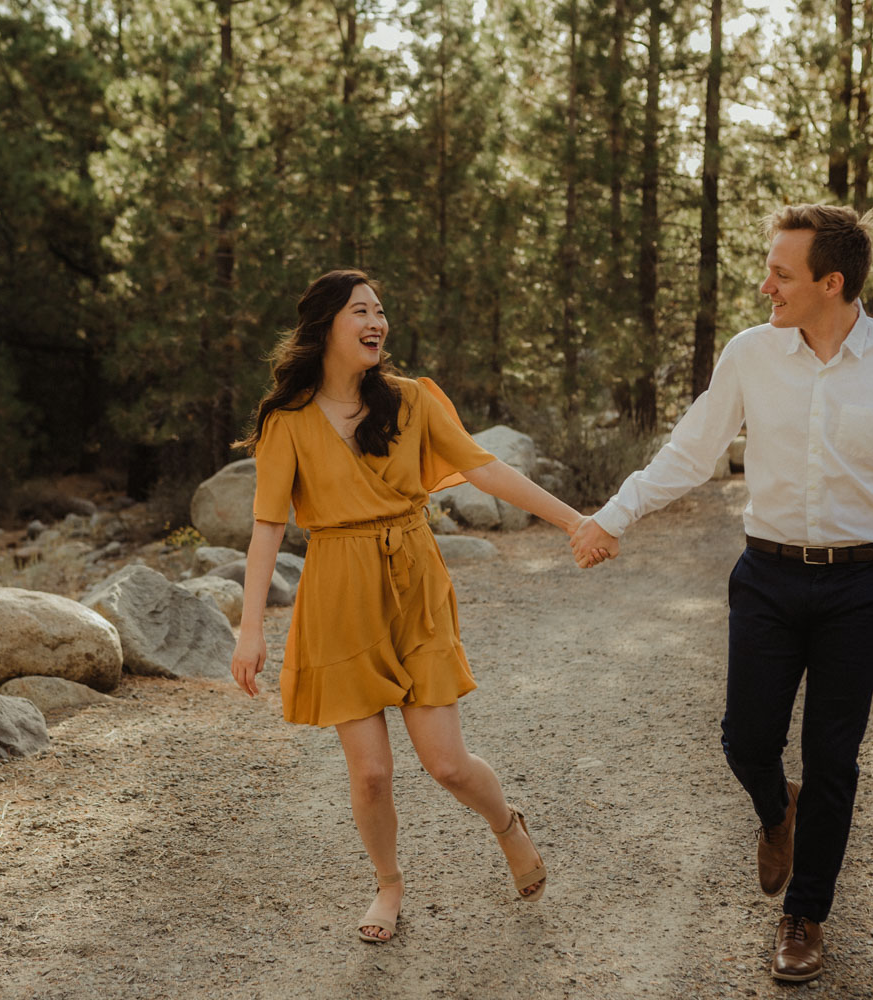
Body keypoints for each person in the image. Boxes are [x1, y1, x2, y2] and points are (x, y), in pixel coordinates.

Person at [572, 205, 873, 982]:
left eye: (781, 273)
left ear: (831, 282)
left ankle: (804, 915)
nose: (765, 285)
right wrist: (611, 516)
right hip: (769, 576)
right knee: (746, 739)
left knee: (833, 756)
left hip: (863, 584)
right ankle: (776, 809)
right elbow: (693, 450)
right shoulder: (751, 353)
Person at [230, 269, 605, 945]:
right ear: (324, 327)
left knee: (447, 764)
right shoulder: (284, 422)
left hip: (412, 584)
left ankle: (507, 824)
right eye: (361, 312)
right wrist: (250, 628)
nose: (377, 323)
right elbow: (266, 527)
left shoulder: (411, 400)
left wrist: (574, 520)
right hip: (337, 595)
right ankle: (389, 885)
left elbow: (485, 468)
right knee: (371, 774)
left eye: (380, 312)